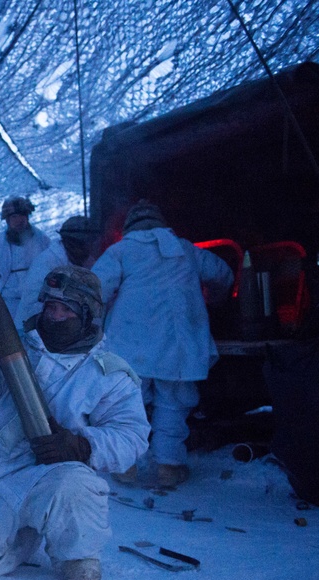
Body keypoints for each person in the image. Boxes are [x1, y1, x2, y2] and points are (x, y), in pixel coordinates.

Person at [0, 265, 150, 580]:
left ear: (87, 315)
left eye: (65, 309)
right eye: (50, 307)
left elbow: (133, 436)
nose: (54, 316)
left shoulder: (107, 374)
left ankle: (77, 553)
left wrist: (82, 445)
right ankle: (19, 541)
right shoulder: (14, 344)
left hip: (47, 476)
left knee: (76, 485)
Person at [91, 200, 233, 488]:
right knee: (173, 403)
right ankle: (169, 466)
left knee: (129, 405)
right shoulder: (185, 248)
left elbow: (95, 289)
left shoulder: (120, 251)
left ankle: (126, 465)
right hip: (179, 344)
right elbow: (223, 274)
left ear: (130, 227)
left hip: (132, 344)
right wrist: (214, 298)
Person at [14, 214, 99, 325]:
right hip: (34, 331)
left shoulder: (75, 260)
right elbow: (34, 307)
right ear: (73, 244)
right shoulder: (48, 265)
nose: (90, 250)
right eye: (87, 245)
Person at [0, 195, 51, 319]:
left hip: (37, 301)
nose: (19, 220)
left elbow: (53, 268)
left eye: (22, 215)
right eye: (14, 217)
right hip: (9, 302)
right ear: (7, 220)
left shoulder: (43, 242)